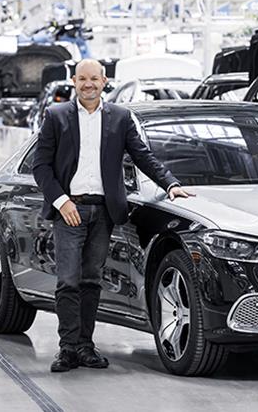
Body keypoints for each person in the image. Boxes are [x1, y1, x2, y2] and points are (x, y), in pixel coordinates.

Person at [32, 58, 193, 372]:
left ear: (104, 81)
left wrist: (171, 184)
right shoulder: (56, 116)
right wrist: (62, 201)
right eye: (82, 79)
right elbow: (41, 166)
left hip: (104, 211)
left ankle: (85, 347)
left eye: (94, 78)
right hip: (70, 209)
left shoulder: (120, 118)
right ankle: (67, 349)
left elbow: (142, 155)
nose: (88, 84)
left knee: (92, 280)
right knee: (68, 281)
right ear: (74, 82)